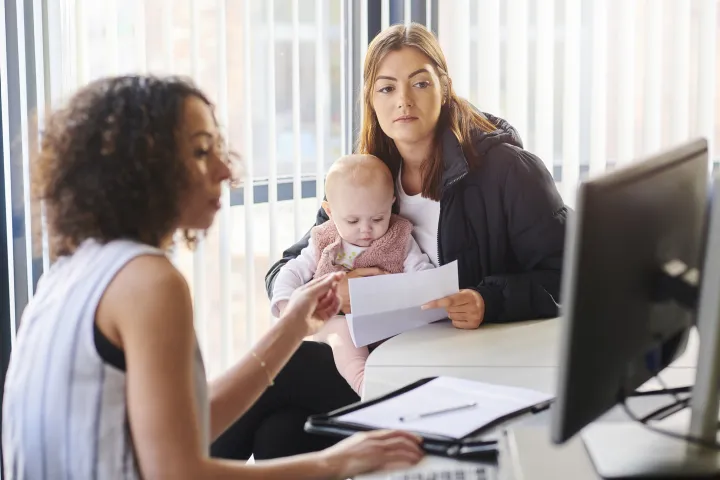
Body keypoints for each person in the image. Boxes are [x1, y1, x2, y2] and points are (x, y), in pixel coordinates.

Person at [1, 75, 424, 479]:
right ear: (144, 169)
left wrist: (295, 324)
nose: (226, 169)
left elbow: (187, 424)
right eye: (202, 152)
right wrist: (337, 462)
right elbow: (177, 472)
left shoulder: (73, 272)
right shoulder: (148, 282)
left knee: (282, 430)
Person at [214, 22, 568, 461]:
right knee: (281, 435)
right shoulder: (370, 174)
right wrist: (331, 295)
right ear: (371, 100)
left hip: (458, 370)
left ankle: (170, 467)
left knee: (283, 372)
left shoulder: (507, 172)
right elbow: (295, 261)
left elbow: (570, 276)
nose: (403, 100)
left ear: (445, 86)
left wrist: (486, 300)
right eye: (386, 88)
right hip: (382, 360)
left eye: (420, 82)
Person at [270, 154, 434, 394]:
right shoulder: (324, 239)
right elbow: (291, 271)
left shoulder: (400, 237)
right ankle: (363, 384)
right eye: (353, 220)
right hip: (335, 323)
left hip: (386, 325)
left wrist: (426, 291)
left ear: (392, 203)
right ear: (330, 211)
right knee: (342, 331)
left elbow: (421, 272)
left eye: (378, 218)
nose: (366, 230)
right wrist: (287, 308)